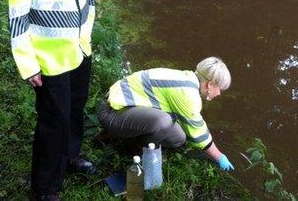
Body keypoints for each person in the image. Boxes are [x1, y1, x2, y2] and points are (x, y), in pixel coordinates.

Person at [2, 0, 98, 199]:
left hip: (80, 47)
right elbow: (17, 5)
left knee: (76, 108)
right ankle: (45, 189)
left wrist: (87, 35)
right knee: (53, 122)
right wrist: (26, 61)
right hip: (47, 54)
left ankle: (69, 157)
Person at [98, 57, 235, 171]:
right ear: (210, 84)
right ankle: (136, 152)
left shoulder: (187, 79)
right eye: (220, 89)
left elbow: (190, 124)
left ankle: (126, 136)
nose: (220, 93)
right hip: (112, 111)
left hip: (128, 110)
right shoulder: (187, 94)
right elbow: (199, 134)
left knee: (178, 138)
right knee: (163, 121)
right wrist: (219, 157)